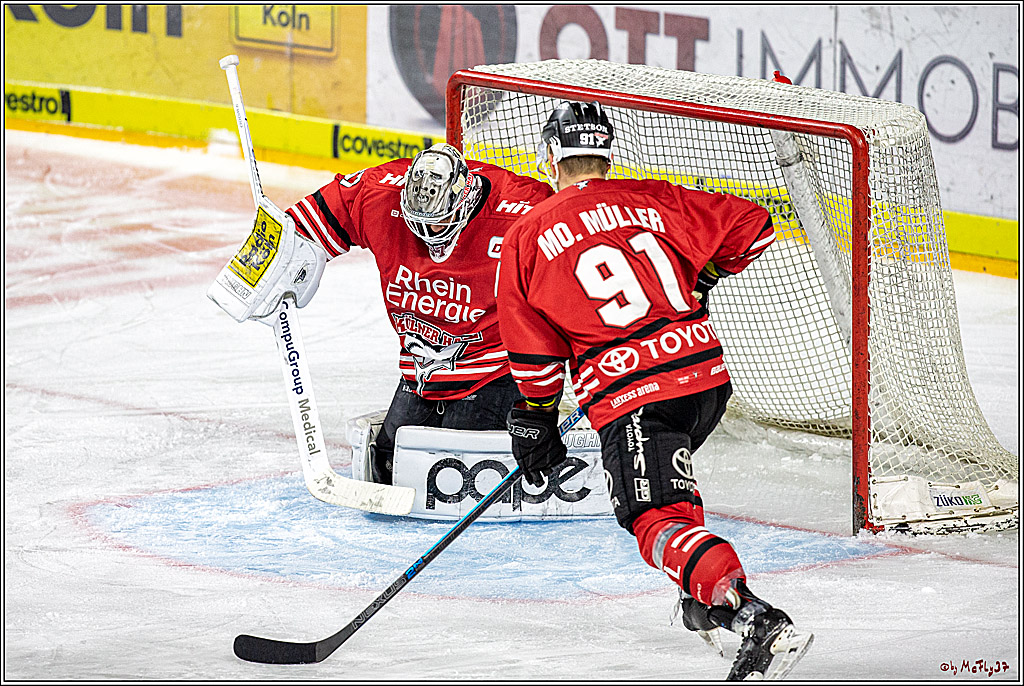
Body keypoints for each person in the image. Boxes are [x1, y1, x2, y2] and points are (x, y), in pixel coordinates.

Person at [496, 102, 813, 680]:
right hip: (705, 381)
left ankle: (756, 617)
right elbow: (754, 226)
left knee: (653, 518)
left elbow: (534, 351)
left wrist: (536, 418)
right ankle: (707, 605)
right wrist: (701, 278)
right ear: (606, 152)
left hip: (636, 395)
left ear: (550, 155)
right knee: (672, 496)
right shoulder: (656, 197)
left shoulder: (527, 235)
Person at [285, 142, 553, 484]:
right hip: (420, 371)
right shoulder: (378, 193)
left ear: (465, 198)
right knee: (387, 469)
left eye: (440, 222)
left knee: (456, 474)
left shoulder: (524, 209)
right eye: (419, 224)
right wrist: (273, 261)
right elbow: (298, 226)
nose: (429, 234)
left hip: (493, 371)